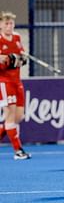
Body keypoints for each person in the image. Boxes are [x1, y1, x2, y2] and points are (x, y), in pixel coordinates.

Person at [0, 11, 30, 160]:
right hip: (4, 82)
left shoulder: (17, 37)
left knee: (19, 116)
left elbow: (22, 56)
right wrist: (5, 59)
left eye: (11, 23)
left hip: (17, 81)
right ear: (0, 25)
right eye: (6, 23)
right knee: (10, 117)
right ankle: (18, 151)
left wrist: (20, 58)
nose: (9, 26)